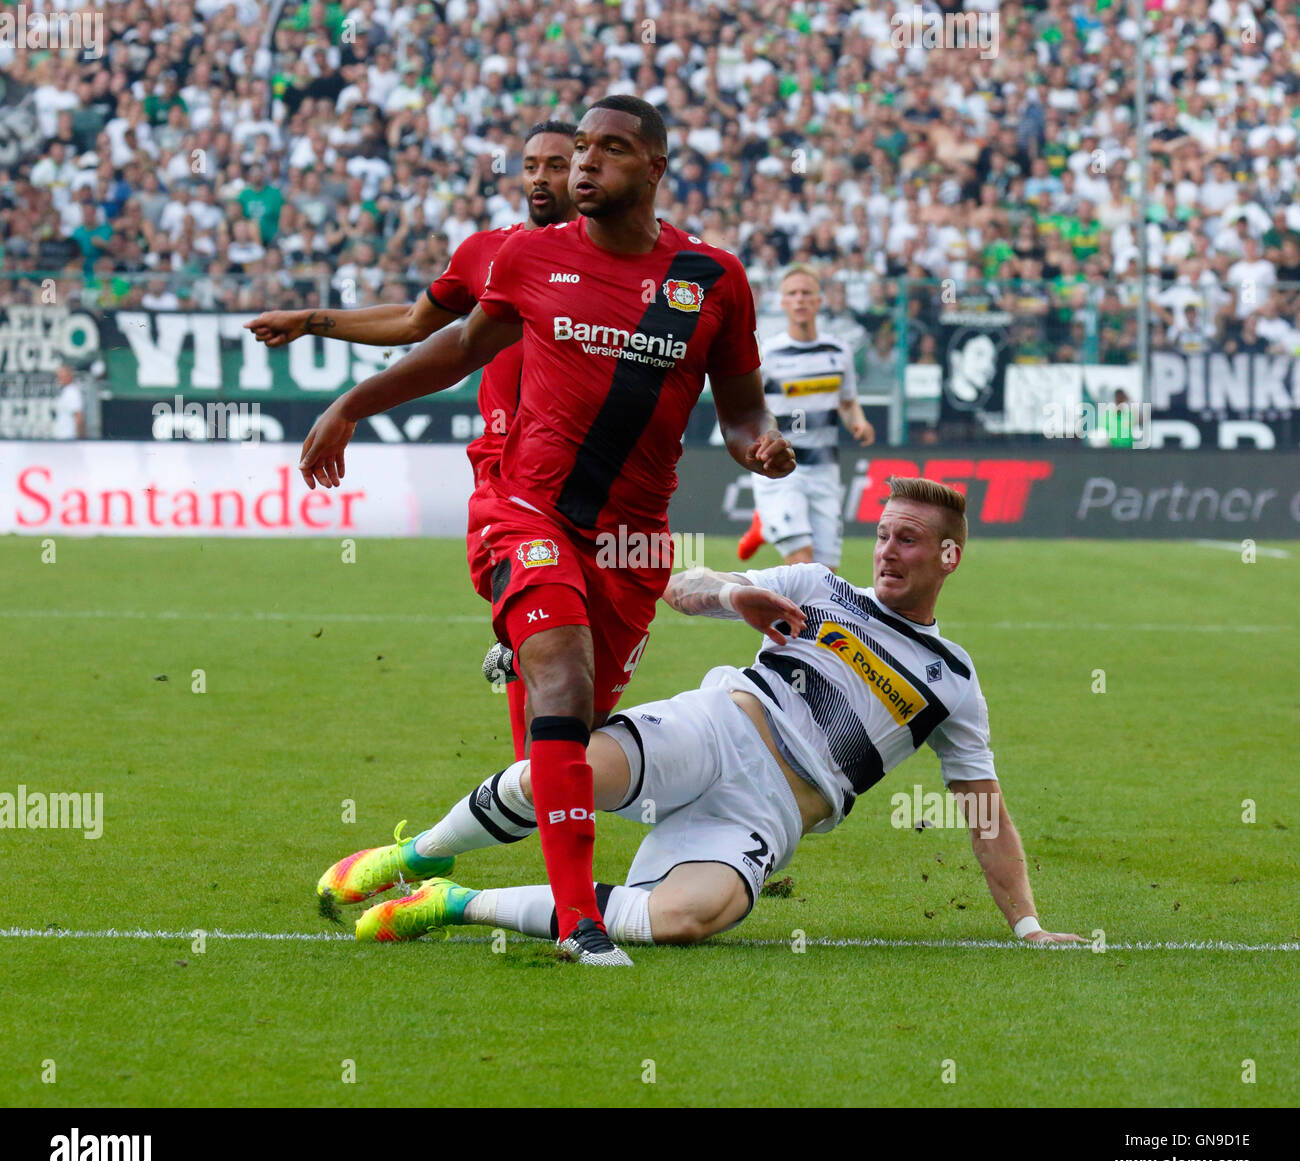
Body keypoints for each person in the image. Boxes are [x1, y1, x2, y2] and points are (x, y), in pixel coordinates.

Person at [300, 96, 795, 965]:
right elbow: (453, 349)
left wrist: (759, 445)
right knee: (561, 679)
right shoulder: (529, 257)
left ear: (654, 168)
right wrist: (350, 405)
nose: (582, 166)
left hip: (633, 544)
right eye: (578, 153)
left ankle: (421, 861)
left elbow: (741, 405)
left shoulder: (712, 279)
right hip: (527, 510)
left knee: (565, 754)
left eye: (609, 150)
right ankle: (581, 923)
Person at [318, 478, 1083, 951]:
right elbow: (682, 586)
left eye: (907, 541)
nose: (886, 552)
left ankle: (452, 905)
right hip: (719, 728)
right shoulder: (820, 587)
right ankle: (418, 855)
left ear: (948, 557)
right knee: (557, 774)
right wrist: (730, 593)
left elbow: (984, 810)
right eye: (882, 534)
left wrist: (1027, 925)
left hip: (770, 815)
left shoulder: (952, 680)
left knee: (684, 920)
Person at [246, 121, 579, 760]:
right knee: (551, 649)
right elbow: (412, 322)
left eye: (556, 165)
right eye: (531, 164)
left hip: (594, 470)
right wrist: (310, 321)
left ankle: (534, 706)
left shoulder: (619, 260)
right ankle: (545, 788)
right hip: (513, 473)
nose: (540, 177)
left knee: (582, 672)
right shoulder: (491, 252)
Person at [736, 265, 874, 570]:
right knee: (801, 561)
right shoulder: (768, 354)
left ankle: (764, 526)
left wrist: (859, 422)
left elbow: (848, 401)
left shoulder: (839, 352)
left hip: (825, 469)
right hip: (784, 469)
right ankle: (767, 522)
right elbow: (749, 408)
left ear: (819, 301)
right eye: (792, 294)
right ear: (783, 303)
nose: (800, 300)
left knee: (825, 576)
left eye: (806, 293)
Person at [52, 364, 85, 440]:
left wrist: (80, 439)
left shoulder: (73, 392)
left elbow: (78, 417)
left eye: (63, 376)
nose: (60, 379)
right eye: (59, 376)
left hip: (70, 437)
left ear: (70, 376)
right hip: (62, 437)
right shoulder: (65, 391)